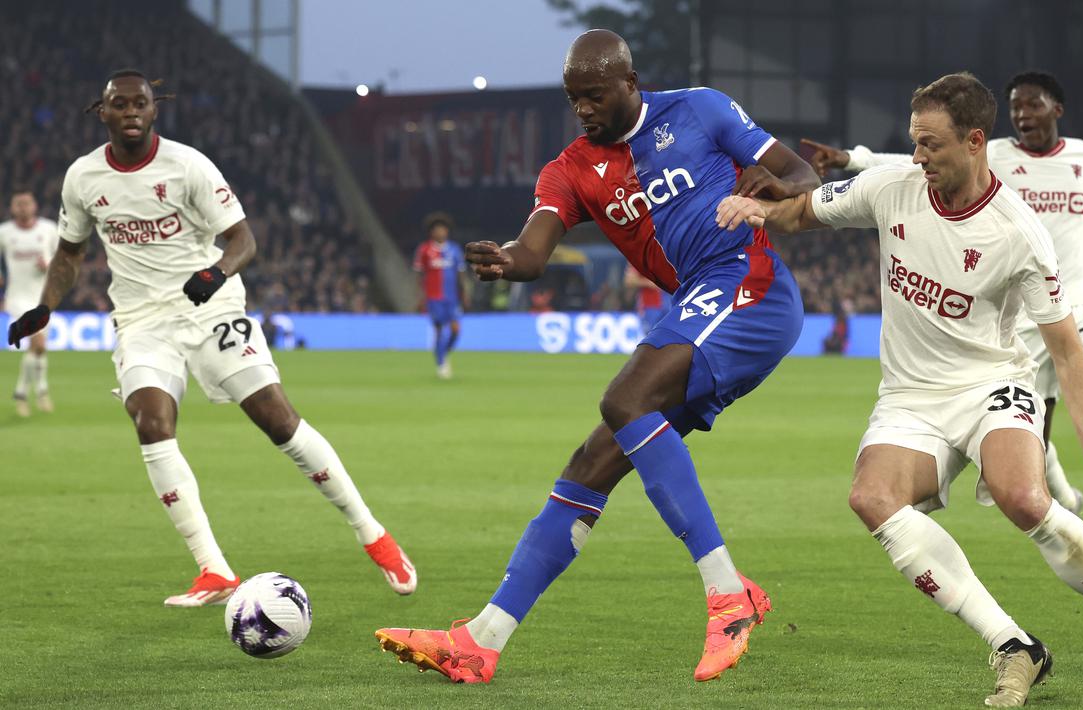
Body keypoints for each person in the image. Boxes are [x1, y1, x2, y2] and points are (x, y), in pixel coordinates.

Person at [717, 72, 1083, 707]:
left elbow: (1065, 350)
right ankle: (1013, 645)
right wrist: (760, 207)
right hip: (909, 395)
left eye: (931, 145)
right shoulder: (892, 189)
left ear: (975, 142)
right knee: (871, 497)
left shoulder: (1018, 231)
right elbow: (804, 211)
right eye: (914, 142)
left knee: (1024, 499)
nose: (918, 156)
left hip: (990, 384)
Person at [374, 30, 819, 684]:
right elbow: (533, 249)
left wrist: (771, 188)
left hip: (747, 286)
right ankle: (481, 639)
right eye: (572, 97)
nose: (581, 107)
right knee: (591, 462)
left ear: (628, 82)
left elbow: (803, 175)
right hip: (693, 303)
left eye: (593, 93)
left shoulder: (700, 109)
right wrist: (508, 261)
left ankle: (728, 592)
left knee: (624, 400)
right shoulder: (570, 169)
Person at [7, 69, 417, 606]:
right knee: (151, 422)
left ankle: (373, 535)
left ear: (155, 110)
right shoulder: (83, 178)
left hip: (211, 308)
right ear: (101, 112)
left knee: (277, 419)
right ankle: (213, 569)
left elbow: (243, 239)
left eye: (140, 104)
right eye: (119, 104)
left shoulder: (188, 165)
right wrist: (45, 306)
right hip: (141, 321)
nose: (130, 111)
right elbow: (69, 252)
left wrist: (218, 272)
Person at [801, 71, 1083, 581]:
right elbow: (912, 165)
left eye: (1033, 104)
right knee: (1036, 437)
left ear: (1057, 109)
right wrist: (852, 160)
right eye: (1015, 106)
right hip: (1023, 311)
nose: (1023, 114)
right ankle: (1064, 497)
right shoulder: (992, 153)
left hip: (1082, 302)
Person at [0, 188, 58, 416]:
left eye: (27, 203)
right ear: (12, 207)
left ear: (34, 206)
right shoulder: (4, 232)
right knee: (39, 344)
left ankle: (32, 392)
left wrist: (49, 265)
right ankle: (28, 392)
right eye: (18, 204)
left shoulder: (48, 229)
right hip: (17, 297)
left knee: (39, 349)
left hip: (43, 297)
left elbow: (62, 257)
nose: (23, 207)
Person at [413, 212, 466, 379]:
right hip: (434, 298)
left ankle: (443, 352)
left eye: (443, 229)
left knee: (456, 330)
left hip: (452, 298)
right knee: (439, 331)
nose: (441, 232)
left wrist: (464, 294)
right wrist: (420, 298)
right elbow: (419, 276)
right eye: (437, 230)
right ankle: (442, 363)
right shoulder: (425, 250)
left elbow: (461, 274)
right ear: (432, 233)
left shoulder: (455, 249)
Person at [623, 263, 667, 335]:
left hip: (668, 304)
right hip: (649, 306)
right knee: (651, 337)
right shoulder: (639, 257)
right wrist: (650, 282)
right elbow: (629, 280)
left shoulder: (665, 255)